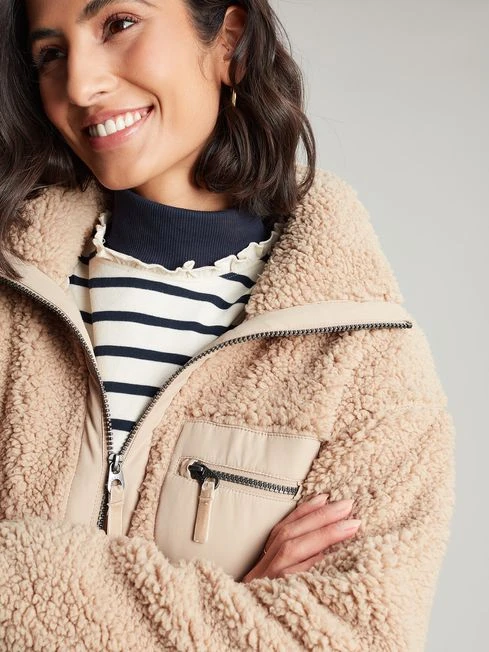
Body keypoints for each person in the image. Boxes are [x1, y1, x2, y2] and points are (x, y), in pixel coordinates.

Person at [0, 0, 455, 649]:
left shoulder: (360, 354)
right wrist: (231, 615)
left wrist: (27, 580)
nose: (80, 83)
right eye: (51, 54)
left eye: (118, 24)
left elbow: (355, 635)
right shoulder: (13, 295)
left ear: (227, 41)